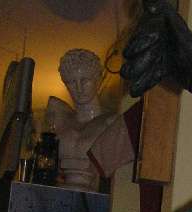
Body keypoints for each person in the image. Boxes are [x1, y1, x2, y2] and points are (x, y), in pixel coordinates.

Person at [45, 48, 132, 189]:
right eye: (72, 82)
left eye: (85, 80)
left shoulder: (112, 123)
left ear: (98, 80)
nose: (79, 88)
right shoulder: (60, 123)